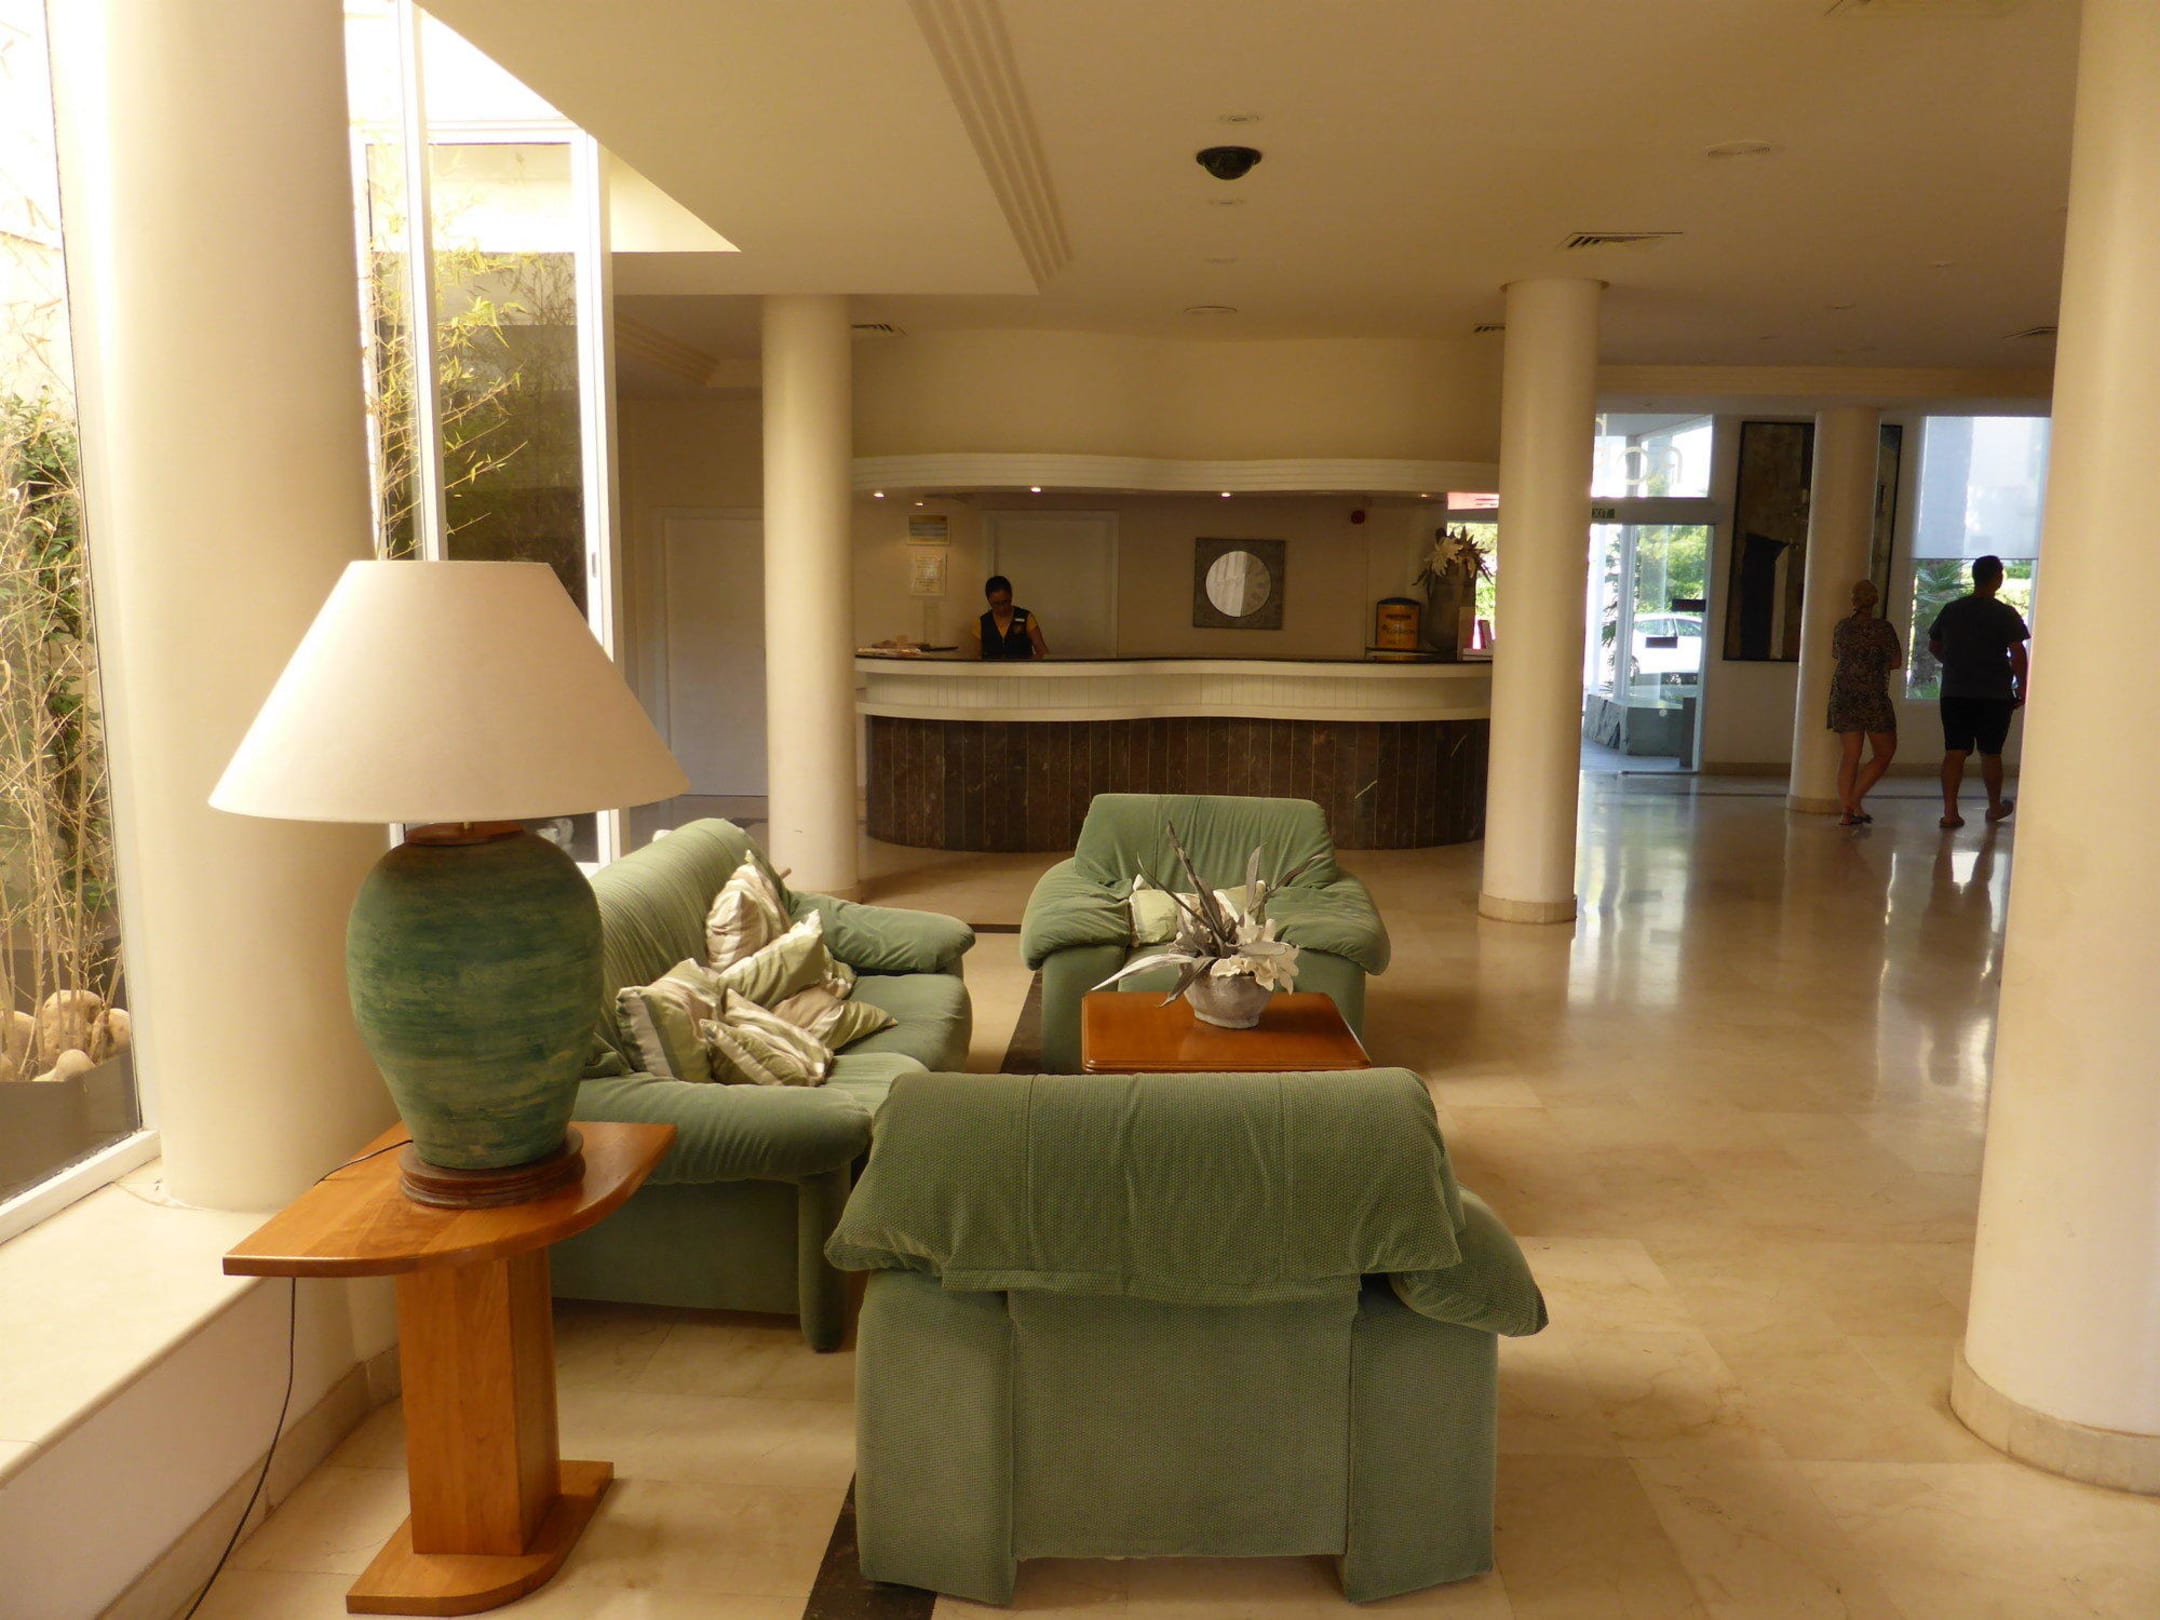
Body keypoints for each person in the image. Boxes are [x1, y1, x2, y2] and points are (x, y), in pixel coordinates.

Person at [1928, 553, 2029, 829]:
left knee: (1955, 751)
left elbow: (1934, 645)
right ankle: (1994, 807)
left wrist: (1953, 663)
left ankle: (1950, 812)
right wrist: (2022, 685)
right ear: (1998, 578)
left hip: (1955, 692)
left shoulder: (1952, 610)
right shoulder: (2004, 613)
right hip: (1994, 693)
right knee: (1991, 752)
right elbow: (2017, 652)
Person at [1827, 577, 1901, 826]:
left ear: (1854, 600)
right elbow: (1896, 662)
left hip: (1844, 694)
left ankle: (1848, 811)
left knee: (1850, 755)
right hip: (1873, 696)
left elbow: (1837, 654)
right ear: (1875, 601)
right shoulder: (1883, 629)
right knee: (1885, 752)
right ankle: (1852, 802)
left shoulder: (1842, 627)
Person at [972, 574, 1049, 660]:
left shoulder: (1026, 617)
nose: (1002, 608)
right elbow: (976, 658)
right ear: (988, 600)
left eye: (1005, 602)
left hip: (1021, 667)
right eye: (996, 604)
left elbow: (1042, 652)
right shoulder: (982, 623)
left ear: (1011, 596)